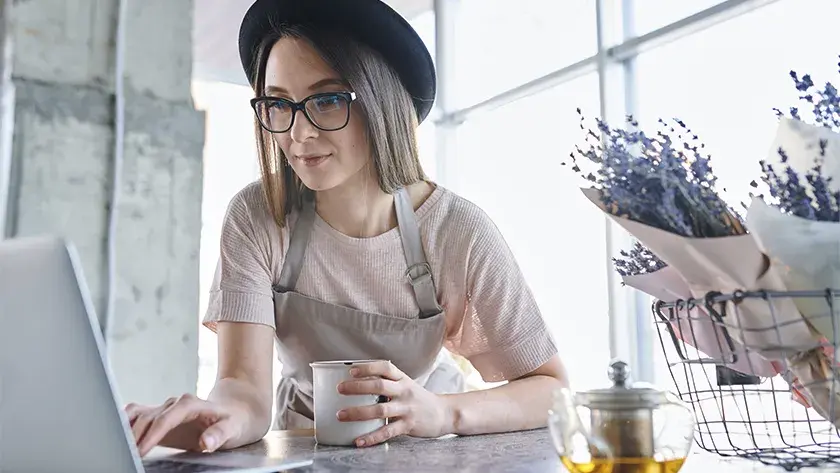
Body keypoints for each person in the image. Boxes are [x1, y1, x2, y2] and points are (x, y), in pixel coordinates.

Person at [125, 0, 568, 457]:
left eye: (328, 100)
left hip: (424, 452)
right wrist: (218, 421)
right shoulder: (258, 215)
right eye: (280, 104)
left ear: (381, 100)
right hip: (300, 449)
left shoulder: (458, 232)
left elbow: (550, 389)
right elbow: (244, 388)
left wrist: (443, 412)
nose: (298, 134)